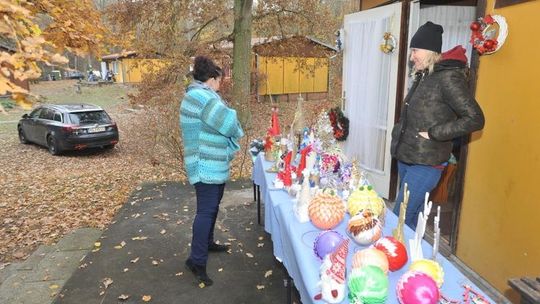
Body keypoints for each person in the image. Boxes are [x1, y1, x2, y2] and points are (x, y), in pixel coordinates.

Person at [391, 21, 485, 229]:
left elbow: (475, 118)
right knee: (411, 218)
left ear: (431, 51)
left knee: (399, 219)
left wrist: (435, 133)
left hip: (427, 163)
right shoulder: (425, 75)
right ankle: (417, 259)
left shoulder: (448, 78)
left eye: (415, 50)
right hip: (407, 157)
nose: (411, 56)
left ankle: (396, 258)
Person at [180, 56, 244, 286]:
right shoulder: (203, 98)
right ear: (211, 79)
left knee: (211, 207)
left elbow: (221, 122)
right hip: (206, 164)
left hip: (209, 163)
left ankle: (206, 243)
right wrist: (233, 116)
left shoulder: (196, 95)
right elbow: (229, 123)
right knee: (206, 211)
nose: (220, 85)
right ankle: (196, 260)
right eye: (219, 80)